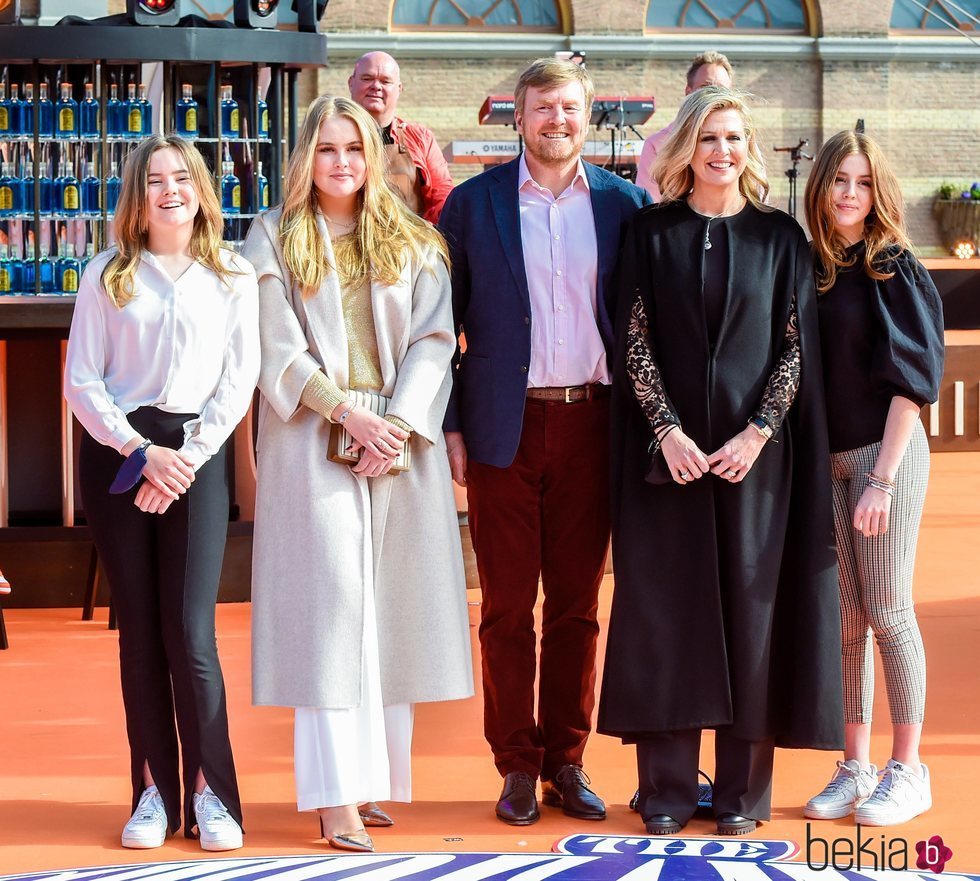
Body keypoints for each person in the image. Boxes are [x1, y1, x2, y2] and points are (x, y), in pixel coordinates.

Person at [597, 86, 844, 837]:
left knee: (751, 619)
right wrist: (666, 430)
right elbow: (631, 337)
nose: (722, 151)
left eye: (734, 137)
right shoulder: (650, 233)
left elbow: (797, 347)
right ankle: (667, 788)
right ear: (686, 148)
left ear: (749, 148)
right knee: (666, 617)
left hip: (753, 469)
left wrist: (759, 431)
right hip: (664, 465)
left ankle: (741, 793)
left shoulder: (781, 240)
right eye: (709, 137)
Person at [243, 95, 473, 853]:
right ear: (305, 157)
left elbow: (437, 340)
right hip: (314, 434)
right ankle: (333, 796)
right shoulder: (273, 237)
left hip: (400, 440)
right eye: (327, 148)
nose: (340, 162)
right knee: (332, 613)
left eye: (353, 148)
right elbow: (273, 345)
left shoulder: (412, 239)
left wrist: (398, 423)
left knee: (391, 611)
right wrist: (348, 413)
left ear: (371, 158)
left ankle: (372, 782)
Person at [439, 58, 650, 826]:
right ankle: (516, 764)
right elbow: (441, 329)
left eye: (568, 109)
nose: (555, 121)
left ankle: (567, 757)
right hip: (505, 425)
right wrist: (452, 425)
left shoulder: (627, 205)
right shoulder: (471, 206)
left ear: (586, 117)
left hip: (594, 423)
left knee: (575, 605)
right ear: (517, 117)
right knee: (503, 606)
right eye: (541, 109)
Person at [64, 135, 259, 851]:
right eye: (154, 179)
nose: (170, 188)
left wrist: (182, 460)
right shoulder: (107, 273)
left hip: (195, 455)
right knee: (140, 630)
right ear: (136, 196)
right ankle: (152, 791)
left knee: (191, 629)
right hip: (119, 454)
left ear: (202, 188)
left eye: (182, 176)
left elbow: (238, 382)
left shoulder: (233, 273)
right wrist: (141, 453)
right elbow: (82, 381)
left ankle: (212, 792)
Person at [802, 131, 944, 827]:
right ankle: (855, 764)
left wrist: (881, 479)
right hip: (828, 461)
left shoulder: (895, 268)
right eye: (838, 181)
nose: (849, 193)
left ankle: (908, 769)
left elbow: (912, 385)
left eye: (860, 182)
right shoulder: (816, 269)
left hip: (883, 457)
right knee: (846, 620)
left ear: (876, 191)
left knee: (888, 609)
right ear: (820, 188)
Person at [348, 51, 454, 223]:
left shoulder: (420, 139)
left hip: (408, 245)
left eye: (385, 81)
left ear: (399, 89)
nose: (376, 86)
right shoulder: (330, 135)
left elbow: (442, 194)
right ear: (351, 83)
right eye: (367, 78)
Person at [635, 50, 734, 201]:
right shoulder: (657, 145)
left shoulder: (742, 142)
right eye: (706, 86)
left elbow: (757, 198)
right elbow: (648, 204)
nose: (713, 95)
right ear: (689, 92)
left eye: (721, 89)